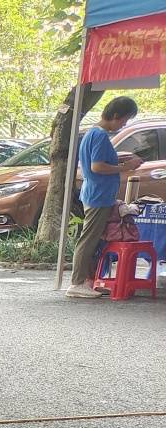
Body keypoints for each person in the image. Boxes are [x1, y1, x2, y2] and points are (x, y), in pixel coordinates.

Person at [68, 96, 142, 299]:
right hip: (98, 195)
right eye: (124, 120)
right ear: (116, 115)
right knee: (89, 239)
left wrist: (119, 159)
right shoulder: (100, 136)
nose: (124, 124)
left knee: (95, 239)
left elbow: (98, 161)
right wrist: (125, 167)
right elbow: (97, 166)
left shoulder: (93, 133)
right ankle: (77, 282)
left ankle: (88, 281)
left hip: (96, 193)